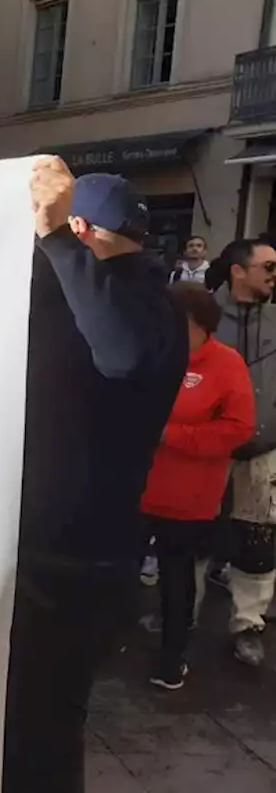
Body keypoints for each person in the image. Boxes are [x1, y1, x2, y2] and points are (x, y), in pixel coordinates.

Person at [0, 161, 187, 793]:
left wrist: (53, 239)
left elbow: (122, 353)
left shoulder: (145, 306)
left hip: (75, 564)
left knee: (41, 732)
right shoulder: (66, 287)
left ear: (78, 228)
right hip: (18, 547)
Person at [140, 282, 255, 690]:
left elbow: (238, 428)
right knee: (115, 573)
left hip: (188, 495)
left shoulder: (226, 364)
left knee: (176, 578)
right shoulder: (147, 352)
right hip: (134, 488)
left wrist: (171, 435)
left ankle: (172, 659)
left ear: (201, 325)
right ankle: (100, 647)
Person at [211, 237, 276, 666]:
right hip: (206, 450)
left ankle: (248, 625)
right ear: (238, 270)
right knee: (193, 537)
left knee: (258, 541)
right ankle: (177, 618)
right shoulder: (200, 318)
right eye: (267, 266)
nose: (274, 274)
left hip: (263, 449)